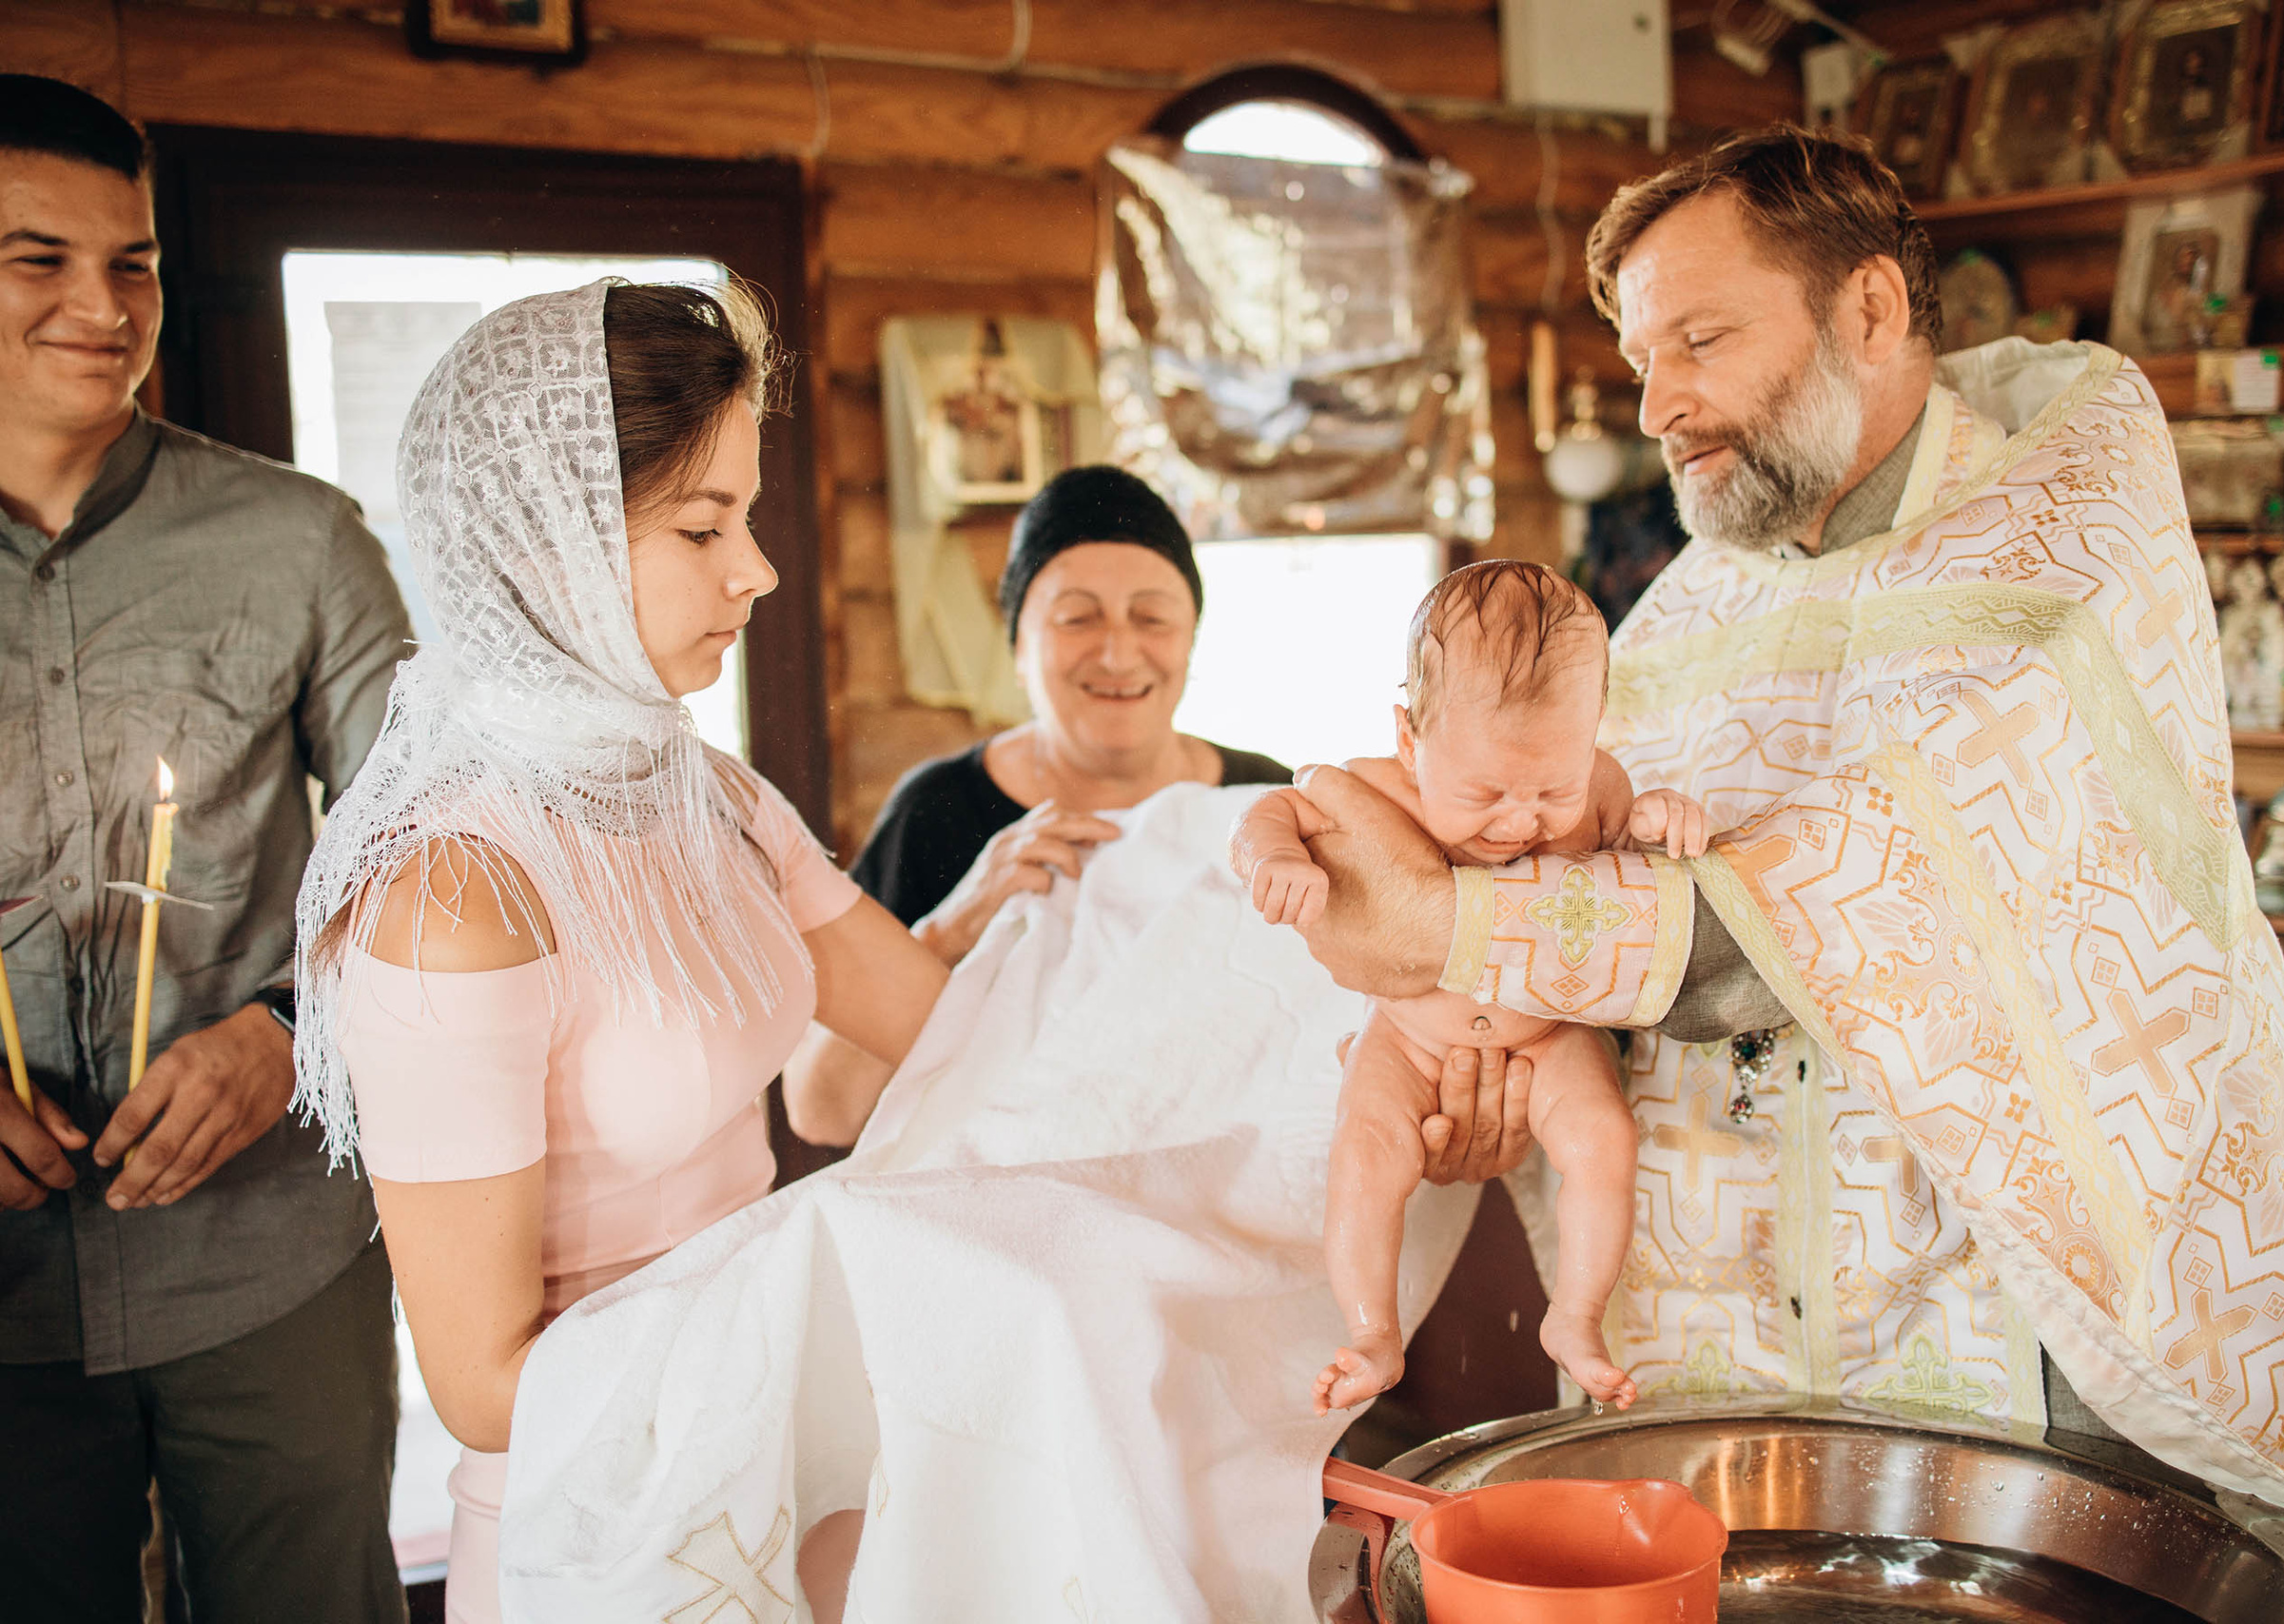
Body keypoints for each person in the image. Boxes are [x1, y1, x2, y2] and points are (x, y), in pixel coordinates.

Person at [1286, 125, 2284, 1556]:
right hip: (1737, 1326)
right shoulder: (1689, 608)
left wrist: (1455, 935)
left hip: (2025, 1329)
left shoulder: (2057, 530)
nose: (1660, 404)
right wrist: (1480, 1057)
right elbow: (1579, 894)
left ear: (1869, 309)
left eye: (1700, 337)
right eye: (1642, 360)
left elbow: (1882, 898)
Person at [292, 280, 946, 1624]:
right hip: (602, 1511)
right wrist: (814, 1320)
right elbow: (480, 1380)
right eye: (705, 523)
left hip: (780, 1450)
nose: (755, 566)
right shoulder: (451, 894)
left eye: (746, 515)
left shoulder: (709, 792)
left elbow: (940, 1016)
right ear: (546, 545)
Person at [0, 76, 411, 1624]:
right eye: (39, 259)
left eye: (137, 263)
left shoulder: (305, 543)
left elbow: (449, 856)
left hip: (272, 1254)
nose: (104, 308)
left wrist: (296, 1034)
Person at [1231, 560, 1706, 1413]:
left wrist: (1659, 818)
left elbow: (1635, 868)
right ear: (1414, 739)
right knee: (1369, 1153)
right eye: (1485, 793)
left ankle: (1577, 1315)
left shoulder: (1599, 788)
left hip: (1548, 1034)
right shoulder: (1379, 783)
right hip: (1408, 1039)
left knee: (1604, 1137)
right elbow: (1279, 807)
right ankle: (1373, 1330)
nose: (1522, 821)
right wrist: (1273, 855)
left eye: (1551, 788)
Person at [784, 464, 1293, 1143]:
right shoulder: (940, 814)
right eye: (1077, 617)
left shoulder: (1263, 805)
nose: (1117, 651)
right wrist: (956, 923)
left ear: (1191, 640)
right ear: (1020, 648)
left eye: (1153, 617)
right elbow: (820, 1109)